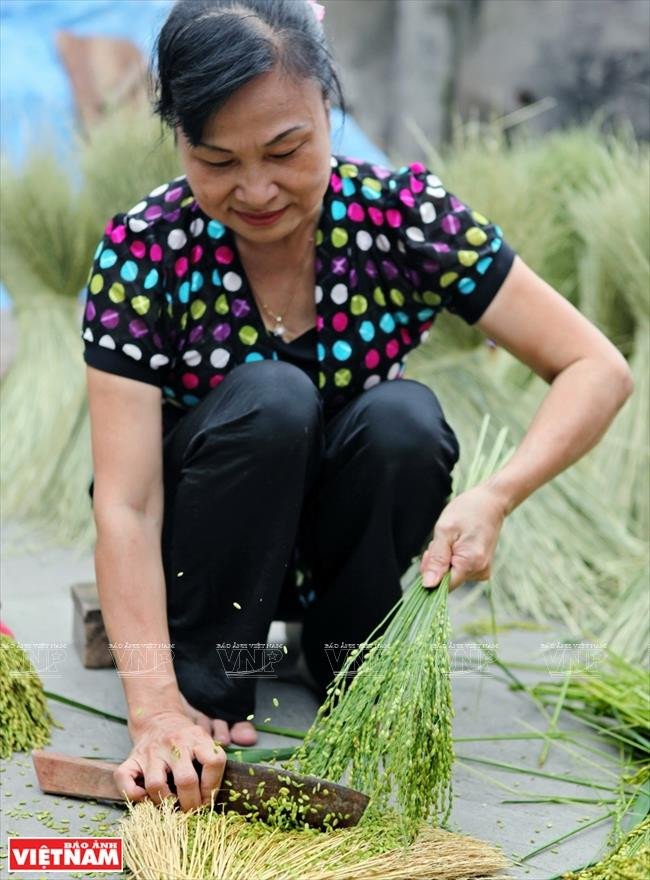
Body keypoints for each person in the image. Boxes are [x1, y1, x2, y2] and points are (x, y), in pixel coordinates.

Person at [81, 0, 633, 813]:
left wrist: (497, 494)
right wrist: (155, 704)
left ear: (328, 106)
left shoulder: (404, 216)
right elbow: (125, 504)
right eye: (217, 160)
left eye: (286, 149)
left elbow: (597, 365)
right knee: (273, 398)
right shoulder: (144, 247)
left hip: (339, 545)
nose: (257, 189)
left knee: (403, 421)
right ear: (177, 140)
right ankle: (209, 676)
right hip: (204, 559)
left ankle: (350, 656)